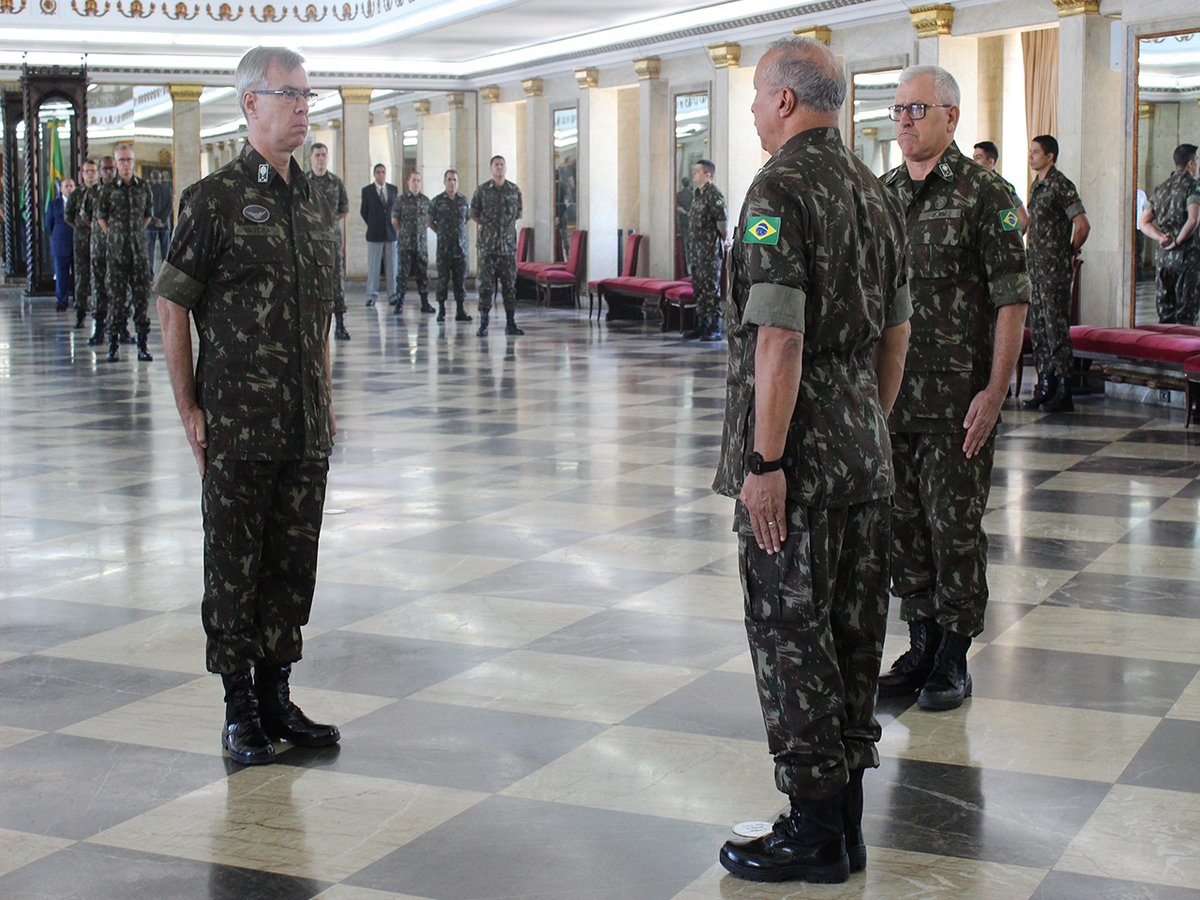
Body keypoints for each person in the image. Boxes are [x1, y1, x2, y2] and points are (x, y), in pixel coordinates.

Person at [714, 37, 910, 885]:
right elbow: (898, 331)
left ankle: (812, 832)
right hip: (864, 453)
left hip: (797, 462)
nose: (755, 111)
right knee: (854, 634)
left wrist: (766, 460)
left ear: (787, 100)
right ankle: (847, 823)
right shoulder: (874, 189)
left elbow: (780, 336)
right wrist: (868, 420)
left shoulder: (780, 188)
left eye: (759, 97)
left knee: (792, 637)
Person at [156, 45, 341, 767]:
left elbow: (319, 313)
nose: (302, 106)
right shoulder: (215, 198)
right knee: (235, 562)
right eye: (287, 94)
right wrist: (188, 410)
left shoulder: (318, 198)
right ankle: (238, 710)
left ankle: (277, 694)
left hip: (303, 424)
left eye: (306, 94)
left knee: (292, 563)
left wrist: (324, 399)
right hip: (239, 421)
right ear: (249, 104)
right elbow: (173, 305)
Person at [878, 65, 1029, 712]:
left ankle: (952, 659)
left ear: (951, 117)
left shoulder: (984, 194)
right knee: (903, 529)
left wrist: (995, 391)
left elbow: (1012, 300)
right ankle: (919, 644)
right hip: (892, 400)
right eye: (898, 110)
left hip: (956, 402)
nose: (906, 120)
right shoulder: (882, 194)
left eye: (918, 109)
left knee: (954, 530)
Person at [1024, 134, 1090, 412]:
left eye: (1036, 152)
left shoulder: (1060, 184)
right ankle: (1046, 384)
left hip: (1055, 272)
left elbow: (1082, 224)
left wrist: (1069, 252)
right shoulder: (1035, 186)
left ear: (1050, 156)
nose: (1031, 157)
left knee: (1056, 329)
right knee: (1039, 329)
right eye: (1030, 151)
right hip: (1036, 270)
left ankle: (1064, 388)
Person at [98, 143, 154, 363]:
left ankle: (142, 345)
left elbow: (148, 214)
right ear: (116, 163)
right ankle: (112, 345)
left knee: (141, 299)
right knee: (117, 299)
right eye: (121, 160)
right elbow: (101, 216)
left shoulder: (143, 186)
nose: (125, 164)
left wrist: (136, 233)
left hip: (139, 252)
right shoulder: (109, 189)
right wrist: (114, 236)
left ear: (134, 161)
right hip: (117, 254)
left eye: (128, 160)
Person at [1140, 143, 1199, 326]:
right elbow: (1193, 219)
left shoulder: (1161, 188)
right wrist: (1178, 241)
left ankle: (1164, 352)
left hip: (1163, 258)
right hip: (1187, 257)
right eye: (1197, 160)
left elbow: (1144, 223)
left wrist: (1161, 237)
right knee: (1186, 314)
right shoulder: (1194, 186)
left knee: (1165, 314)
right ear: (1190, 163)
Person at [470, 154, 523, 336]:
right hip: (488, 248)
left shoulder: (514, 190)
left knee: (509, 286)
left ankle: (511, 322)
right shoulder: (482, 190)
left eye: (502, 164)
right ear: (491, 168)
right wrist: (490, 229)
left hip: (508, 248)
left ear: (505, 168)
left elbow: (517, 215)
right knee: (486, 287)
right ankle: (484, 323)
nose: (499, 167)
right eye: (496, 165)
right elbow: (475, 214)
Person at [307, 141, 351, 339]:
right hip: (309, 243)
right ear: (310, 158)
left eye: (324, 155)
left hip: (331, 241)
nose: (321, 159)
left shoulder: (336, 182)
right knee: (310, 283)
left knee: (337, 282)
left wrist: (327, 224)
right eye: (317, 155)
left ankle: (340, 325)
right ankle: (312, 327)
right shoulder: (303, 183)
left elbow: (343, 210)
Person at [682, 159, 728, 342]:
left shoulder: (714, 194)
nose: (694, 174)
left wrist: (724, 242)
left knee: (710, 288)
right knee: (699, 288)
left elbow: (722, 225)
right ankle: (702, 324)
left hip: (709, 252)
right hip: (695, 251)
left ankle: (714, 326)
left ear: (708, 174)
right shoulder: (697, 195)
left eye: (698, 171)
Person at [427, 168, 472, 323]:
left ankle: (460, 310)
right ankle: (442, 310)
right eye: (449, 180)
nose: (452, 183)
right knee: (443, 280)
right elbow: (429, 221)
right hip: (444, 249)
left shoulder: (463, 201)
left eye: (455, 180)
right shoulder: (437, 201)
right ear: (444, 182)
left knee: (460, 281)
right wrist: (440, 232)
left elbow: (466, 220)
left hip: (460, 248)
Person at [81, 156, 115, 347]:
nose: (108, 172)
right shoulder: (93, 192)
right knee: (99, 288)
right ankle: (99, 329)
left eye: (111, 168)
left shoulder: (122, 189)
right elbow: (84, 216)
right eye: (105, 169)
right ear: (99, 171)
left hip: (119, 249)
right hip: (99, 247)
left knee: (120, 290)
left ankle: (120, 328)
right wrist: (100, 231)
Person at [391, 170, 433, 314]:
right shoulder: (401, 200)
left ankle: (425, 303)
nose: (416, 183)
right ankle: (400, 302)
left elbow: (429, 221)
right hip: (405, 245)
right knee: (402, 275)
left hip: (421, 245)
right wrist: (405, 232)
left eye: (418, 180)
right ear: (408, 182)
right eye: (413, 180)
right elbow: (395, 220)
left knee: (423, 275)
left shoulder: (426, 201)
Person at [64, 160, 96, 329]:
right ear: (82, 174)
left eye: (92, 171)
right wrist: (81, 227)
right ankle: (80, 313)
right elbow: (68, 216)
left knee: (101, 279)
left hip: (101, 243)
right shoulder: (76, 194)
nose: (90, 174)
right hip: (81, 243)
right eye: (87, 171)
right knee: (82, 278)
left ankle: (101, 313)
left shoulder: (101, 192)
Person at [360, 163, 397, 307]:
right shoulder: (367, 191)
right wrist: (373, 223)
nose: (381, 174)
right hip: (374, 233)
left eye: (383, 172)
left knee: (392, 266)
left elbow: (395, 210)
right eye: (378, 172)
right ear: (374, 174)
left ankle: (393, 294)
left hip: (390, 233)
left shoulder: (393, 190)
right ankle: (371, 295)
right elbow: (364, 212)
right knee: (374, 265)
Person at [972, 141, 1028, 233]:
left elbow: (1023, 220)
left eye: (978, 158)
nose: (973, 162)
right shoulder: (976, 184)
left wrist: (1011, 241)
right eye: (973, 158)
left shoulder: (1001, 185)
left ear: (990, 162)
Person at [45, 178, 76, 312]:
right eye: (66, 186)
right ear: (61, 189)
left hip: (77, 244)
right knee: (61, 274)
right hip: (60, 244)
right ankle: (62, 301)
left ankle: (79, 301)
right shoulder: (54, 204)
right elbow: (48, 224)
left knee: (79, 275)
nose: (69, 188)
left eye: (71, 186)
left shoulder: (78, 203)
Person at [146, 169, 173, 274]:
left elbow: (146, 206)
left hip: (151, 223)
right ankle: (165, 274)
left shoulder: (148, 189)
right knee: (165, 249)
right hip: (164, 222)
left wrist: (154, 219)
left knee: (150, 249)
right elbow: (170, 205)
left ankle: (150, 275)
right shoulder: (167, 189)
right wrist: (162, 219)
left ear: (151, 178)